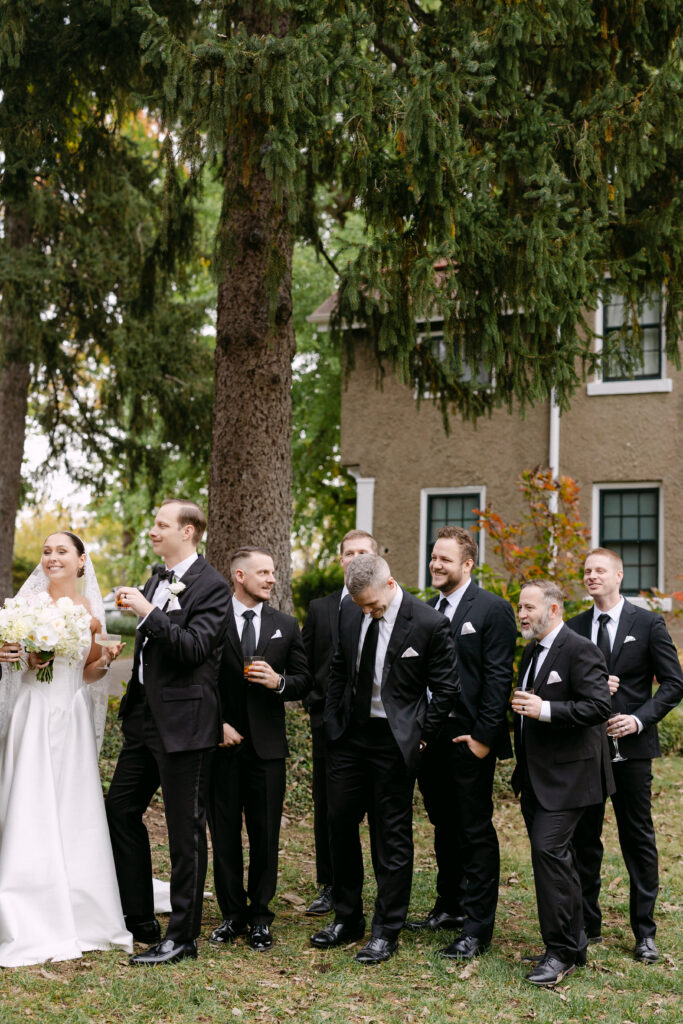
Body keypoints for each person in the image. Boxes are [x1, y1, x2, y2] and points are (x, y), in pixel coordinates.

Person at [311, 554, 459, 965]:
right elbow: (339, 665)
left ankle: (386, 929)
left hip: (394, 742)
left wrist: (423, 737)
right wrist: (334, 722)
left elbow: (446, 688)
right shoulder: (347, 609)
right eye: (361, 607)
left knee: (390, 836)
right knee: (338, 824)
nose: (368, 612)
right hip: (348, 737)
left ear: (390, 584)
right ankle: (347, 918)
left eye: (373, 605)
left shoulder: (428, 623)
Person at [106, 498, 232, 966]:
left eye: (162, 525)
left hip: (186, 725)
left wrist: (148, 613)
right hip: (143, 721)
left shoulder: (213, 586)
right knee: (119, 809)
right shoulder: (157, 577)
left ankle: (183, 937)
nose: (154, 531)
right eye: (155, 524)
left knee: (185, 833)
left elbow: (195, 649)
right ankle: (140, 917)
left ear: (189, 532)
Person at [0, 531, 131, 967]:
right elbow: (14, 658)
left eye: (62, 551)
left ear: (81, 561)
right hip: (34, 712)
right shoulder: (25, 608)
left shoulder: (91, 611)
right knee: (31, 802)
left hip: (70, 715)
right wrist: (20, 657)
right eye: (47, 551)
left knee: (73, 808)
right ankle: (28, 904)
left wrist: (106, 660)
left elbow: (88, 674)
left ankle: (81, 904)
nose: (52, 557)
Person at [567, 548, 683, 963]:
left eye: (600, 570)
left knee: (637, 838)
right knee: (585, 839)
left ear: (619, 575)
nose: (592, 576)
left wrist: (639, 719)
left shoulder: (647, 623)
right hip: (585, 750)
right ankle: (588, 924)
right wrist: (592, 688)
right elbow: (561, 684)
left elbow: (673, 683)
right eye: (586, 571)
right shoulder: (574, 627)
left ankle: (645, 932)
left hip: (632, 750)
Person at [408, 526, 517, 961]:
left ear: (467, 564)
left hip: (469, 741)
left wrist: (485, 740)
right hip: (431, 740)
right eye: (434, 557)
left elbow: (498, 678)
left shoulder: (492, 609)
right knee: (443, 827)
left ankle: (477, 928)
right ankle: (449, 906)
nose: (436, 564)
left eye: (445, 559)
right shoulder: (427, 609)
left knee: (474, 832)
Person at [207, 547, 311, 952]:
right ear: (239, 575)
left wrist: (279, 683)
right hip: (221, 745)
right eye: (263, 573)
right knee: (225, 835)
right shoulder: (212, 621)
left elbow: (305, 680)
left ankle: (260, 918)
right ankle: (231, 915)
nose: (271, 579)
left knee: (265, 836)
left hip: (268, 751)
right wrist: (216, 724)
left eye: (273, 573)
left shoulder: (285, 624)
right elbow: (198, 679)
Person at [511, 580, 613, 987]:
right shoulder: (532, 650)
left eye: (529, 607)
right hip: (536, 776)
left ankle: (559, 953)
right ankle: (575, 942)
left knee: (548, 853)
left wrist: (545, 709)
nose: (521, 613)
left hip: (572, 776)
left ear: (553, 610)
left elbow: (598, 706)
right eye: (519, 606)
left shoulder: (580, 649)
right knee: (560, 861)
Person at [301, 529, 378, 917]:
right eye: (349, 553)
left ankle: (379, 887)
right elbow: (304, 663)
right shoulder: (320, 608)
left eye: (363, 552)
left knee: (378, 810)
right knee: (328, 808)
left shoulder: (387, 605)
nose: (355, 558)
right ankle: (330, 884)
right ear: (341, 559)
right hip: (329, 727)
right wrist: (317, 710)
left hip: (374, 727)